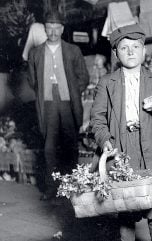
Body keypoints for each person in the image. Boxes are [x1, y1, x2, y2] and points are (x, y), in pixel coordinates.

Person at [90, 23, 152, 241]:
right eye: (124, 48)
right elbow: (97, 119)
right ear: (116, 53)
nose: (130, 52)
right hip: (122, 147)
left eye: (135, 47)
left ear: (144, 51)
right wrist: (105, 139)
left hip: (151, 143)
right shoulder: (107, 82)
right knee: (125, 202)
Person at [27, 10, 89, 202]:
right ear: (44, 29)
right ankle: (51, 189)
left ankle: (72, 188)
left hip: (68, 105)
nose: (53, 31)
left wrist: (71, 90)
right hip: (47, 106)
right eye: (49, 28)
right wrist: (46, 89)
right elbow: (32, 80)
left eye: (56, 28)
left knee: (70, 147)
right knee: (49, 148)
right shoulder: (35, 53)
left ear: (62, 29)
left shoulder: (73, 50)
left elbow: (84, 78)